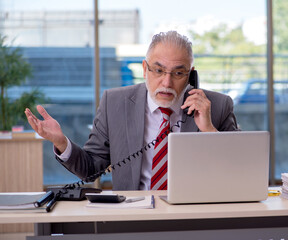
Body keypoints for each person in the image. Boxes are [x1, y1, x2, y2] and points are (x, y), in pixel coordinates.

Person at [25, 31, 238, 190]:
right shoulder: (114, 102)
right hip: (134, 214)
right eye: (158, 70)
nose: (167, 82)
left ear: (191, 75)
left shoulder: (218, 106)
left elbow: (239, 171)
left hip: (196, 215)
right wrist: (61, 142)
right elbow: (91, 170)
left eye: (178, 73)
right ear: (144, 69)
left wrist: (209, 131)